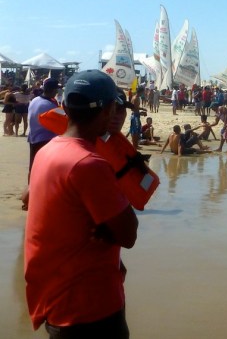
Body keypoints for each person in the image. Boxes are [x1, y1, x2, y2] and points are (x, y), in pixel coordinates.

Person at [24, 69, 138, 337]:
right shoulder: (89, 164)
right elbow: (128, 233)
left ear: (64, 107)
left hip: (56, 297)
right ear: (109, 111)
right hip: (88, 307)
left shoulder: (48, 151)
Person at [21, 78, 61, 210]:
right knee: (43, 171)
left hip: (33, 137)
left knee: (32, 168)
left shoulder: (35, 100)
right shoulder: (50, 105)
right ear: (54, 90)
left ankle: (29, 199)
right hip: (45, 140)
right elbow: (64, 120)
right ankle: (33, 199)